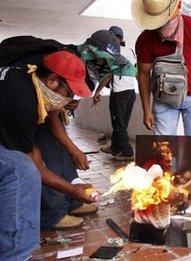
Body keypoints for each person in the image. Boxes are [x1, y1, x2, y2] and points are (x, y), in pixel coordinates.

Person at [0, 51, 94, 259]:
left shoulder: (27, 78)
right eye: (69, 93)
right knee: (22, 171)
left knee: (33, 158)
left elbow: (33, 147)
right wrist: (72, 189)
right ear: (52, 81)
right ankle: (16, 254)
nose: (70, 99)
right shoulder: (22, 104)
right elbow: (34, 166)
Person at [132, 0, 191, 135]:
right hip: (163, 99)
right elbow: (143, 75)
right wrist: (146, 110)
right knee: (164, 146)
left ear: (179, 6)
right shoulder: (145, 40)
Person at [94, 26, 138, 160]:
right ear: (122, 37)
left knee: (118, 123)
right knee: (122, 122)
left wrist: (97, 91)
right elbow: (136, 71)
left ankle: (127, 152)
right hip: (130, 92)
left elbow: (108, 74)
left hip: (119, 92)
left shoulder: (113, 52)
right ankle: (115, 147)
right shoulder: (130, 51)